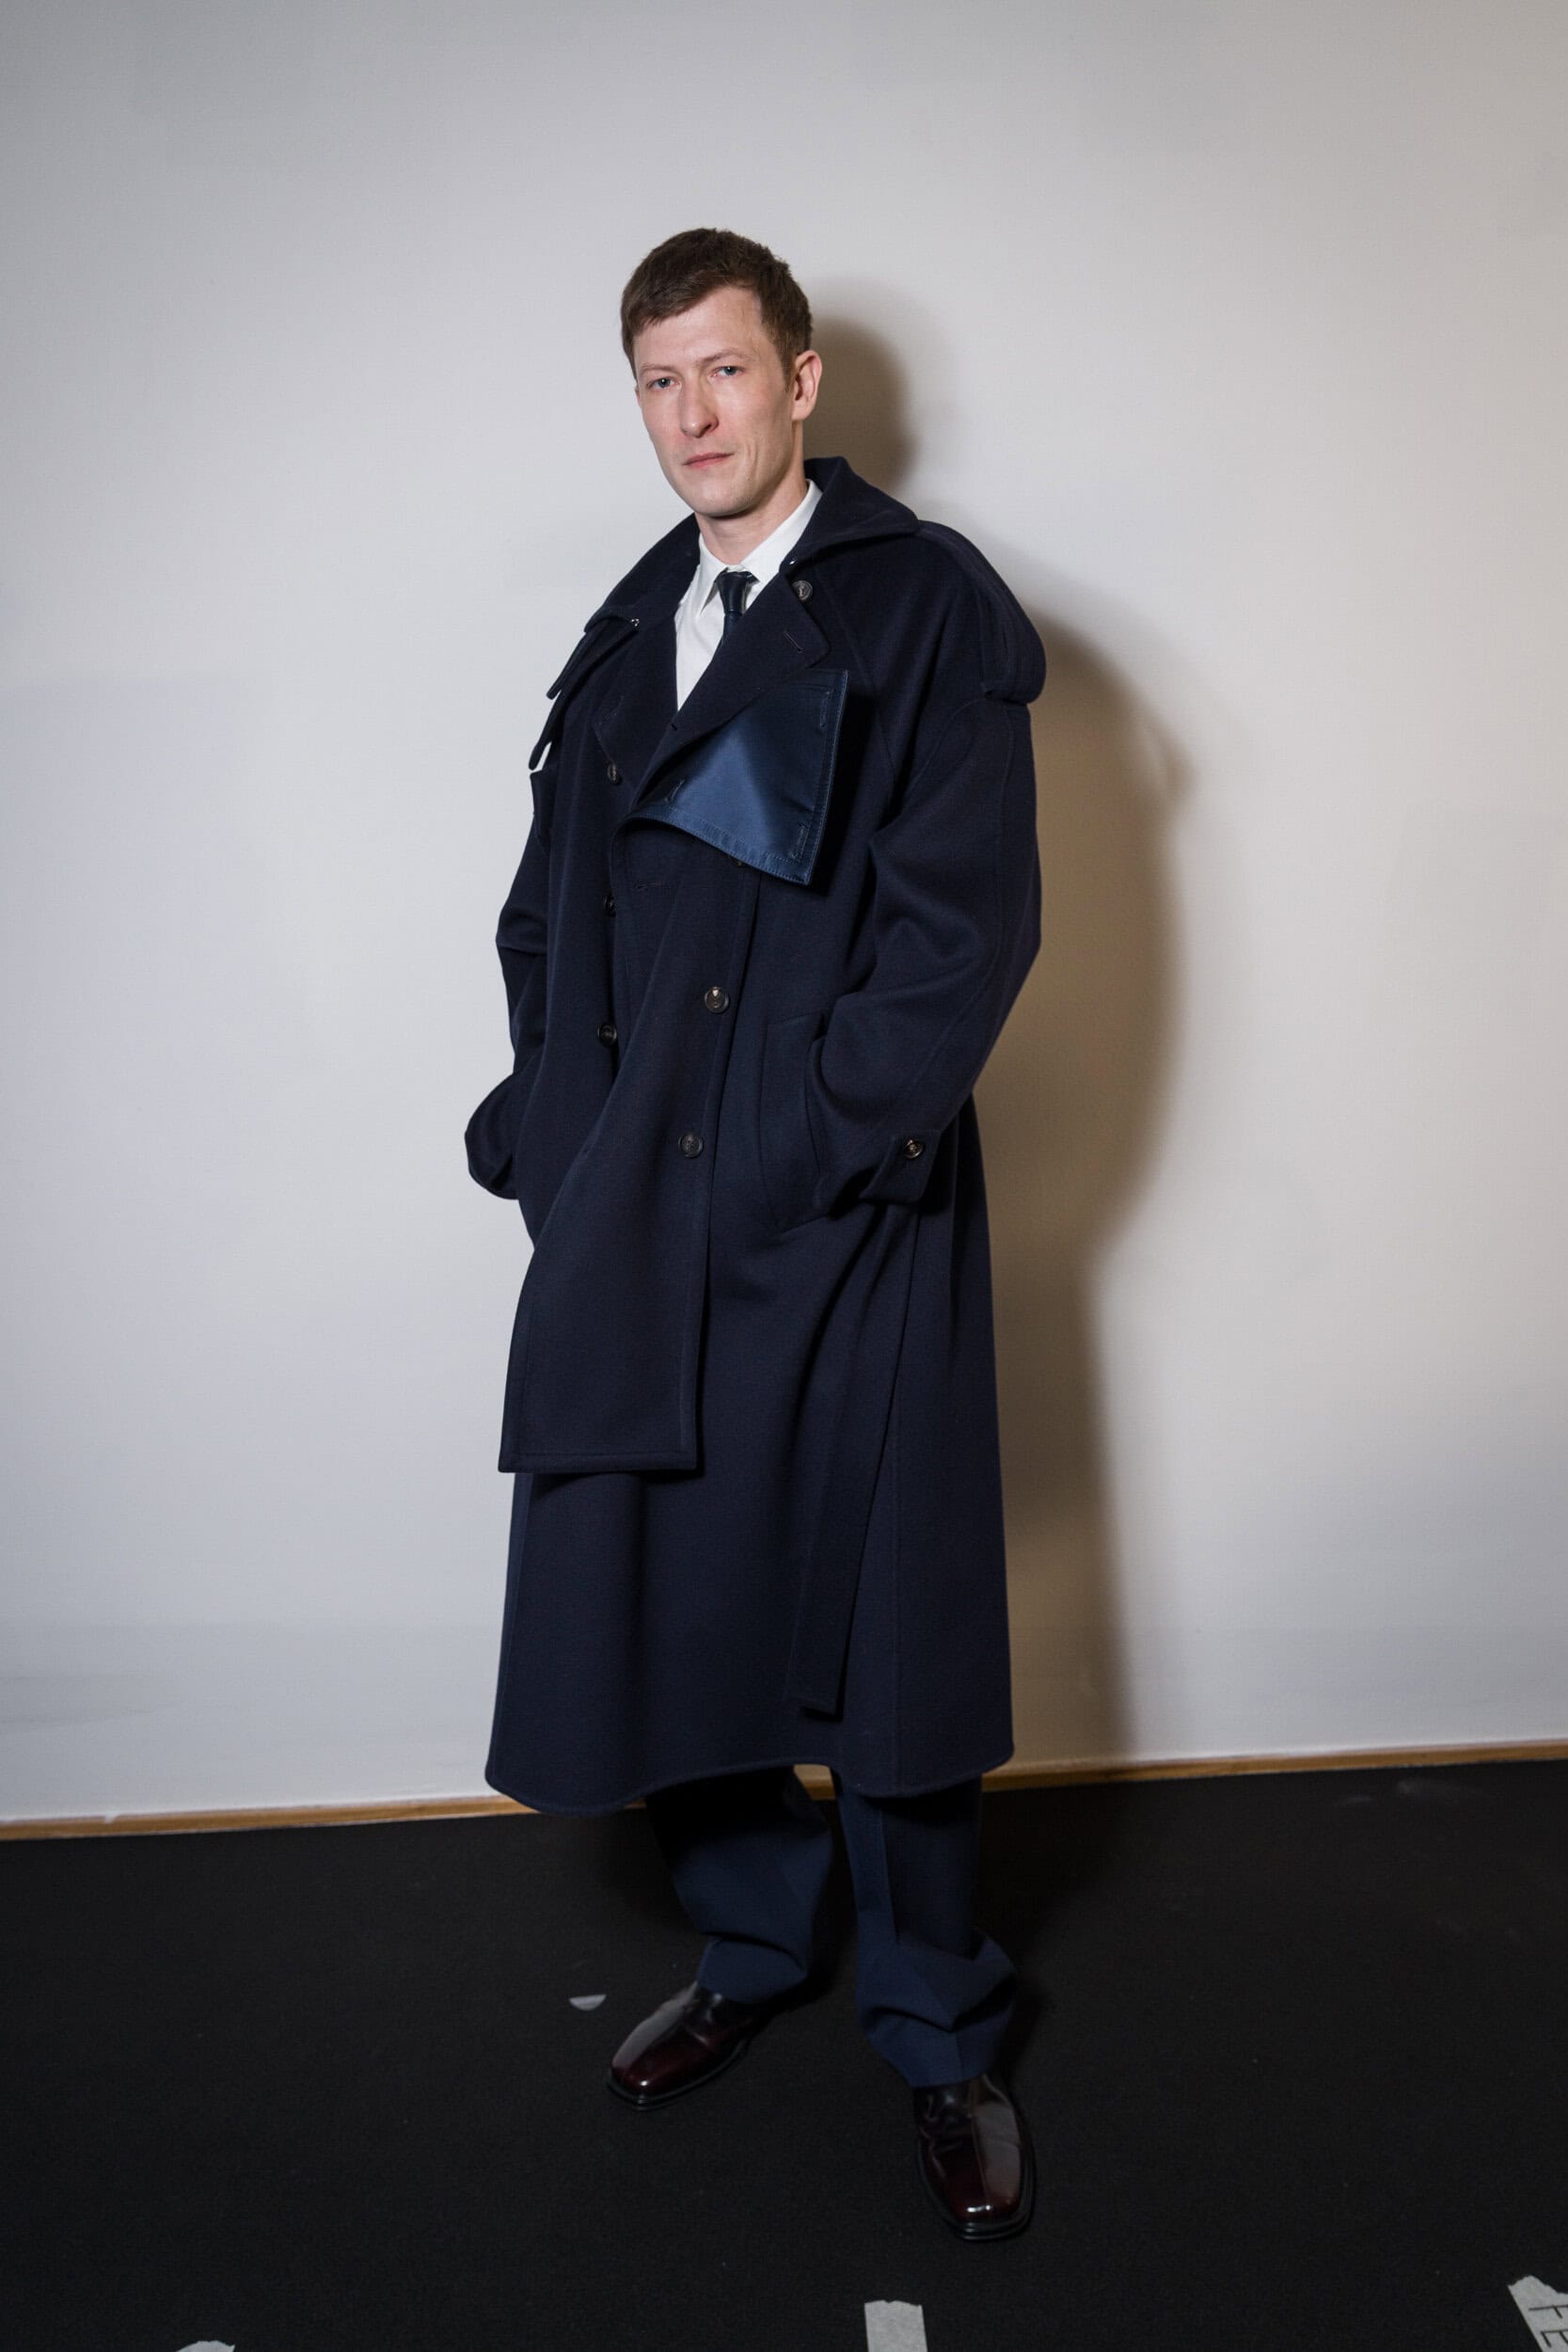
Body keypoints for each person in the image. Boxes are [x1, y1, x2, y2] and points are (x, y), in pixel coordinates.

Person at [465, 226, 1045, 2241]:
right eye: (659, 380)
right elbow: (546, 914)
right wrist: (555, 1138)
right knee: (664, 1594)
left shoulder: (924, 604)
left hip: (836, 1201)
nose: (692, 413)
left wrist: (805, 1143)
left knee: (883, 1635)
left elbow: (965, 933)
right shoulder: (632, 622)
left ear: (801, 379)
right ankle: (750, 1941)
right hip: (634, 1203)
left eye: (724, 370)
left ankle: (939, 2025)